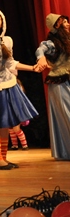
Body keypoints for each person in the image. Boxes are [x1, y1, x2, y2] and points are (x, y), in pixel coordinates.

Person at [0, 9, 39, 169]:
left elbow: (11, 63)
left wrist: (32, 68)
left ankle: (3, 158)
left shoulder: (7, 41)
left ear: (2, 22)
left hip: (6, 84)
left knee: (4, 123)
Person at [34, 13, 70, 160]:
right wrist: (41, 58)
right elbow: (40, 49)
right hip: (60, 83)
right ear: (56, 26)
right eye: (64, 22)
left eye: (67, 21)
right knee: (67, 115)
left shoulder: (68, 40)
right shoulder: (52, 43)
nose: (67, 24)